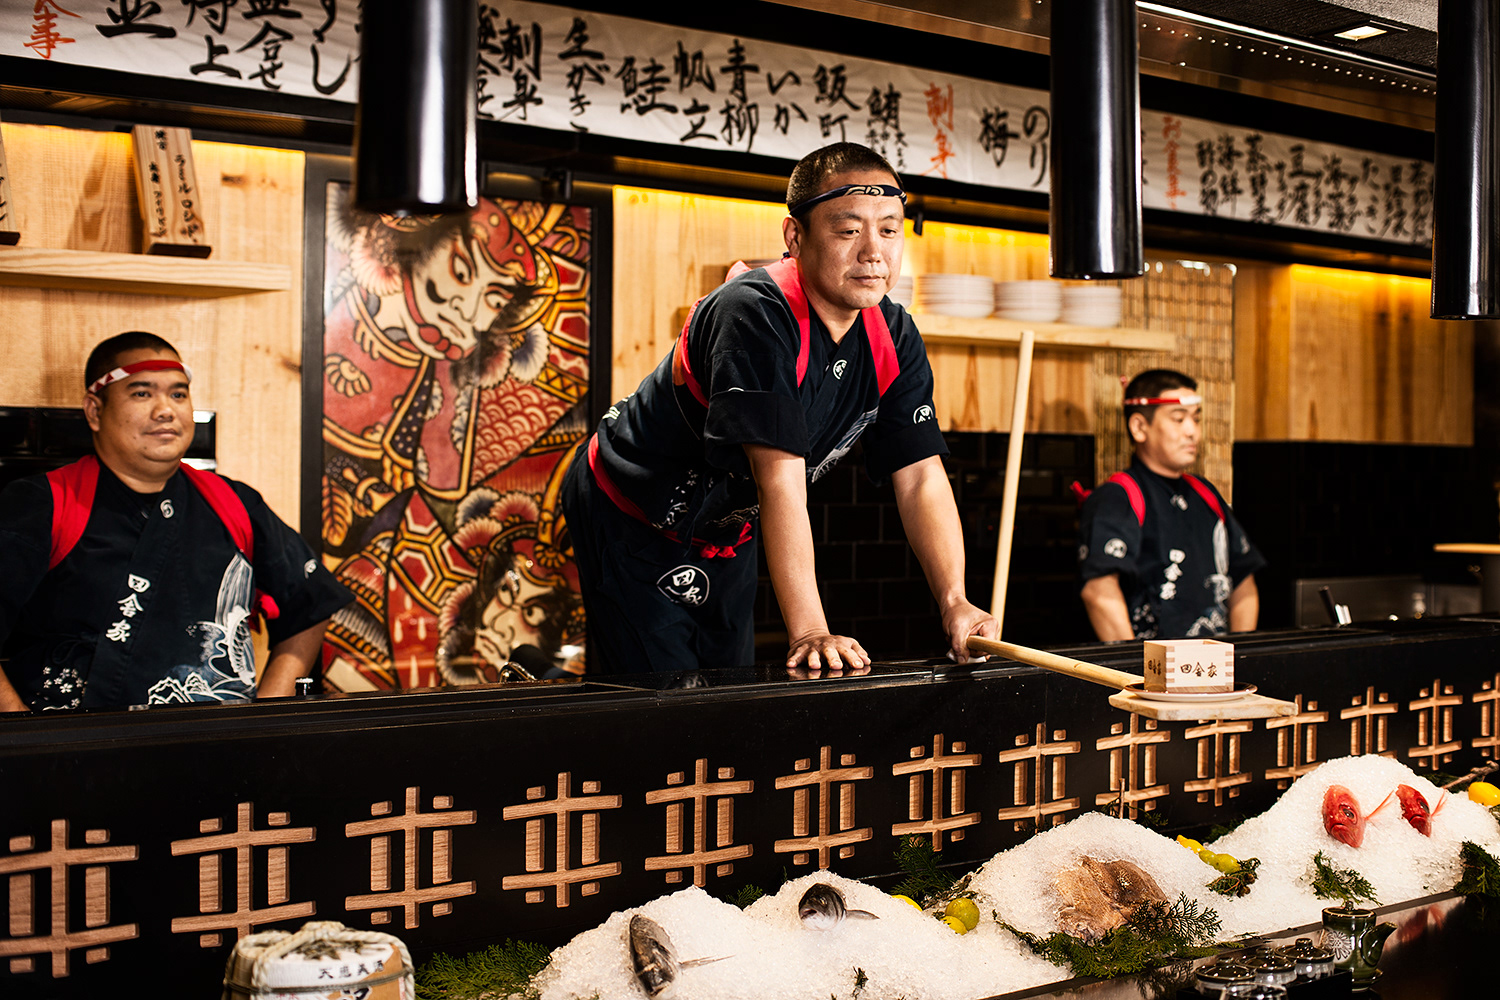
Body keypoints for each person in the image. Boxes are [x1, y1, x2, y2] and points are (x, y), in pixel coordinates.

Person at [561, 142, 997, 674]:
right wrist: (811, 631)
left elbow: (920, 475)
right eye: (848, 230)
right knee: (661, 696)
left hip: (726, 527)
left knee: (728, 686)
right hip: (630, 509)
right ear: (795, 237)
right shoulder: (754, 313)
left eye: (889, 230)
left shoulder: (893, 333)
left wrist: (955, 602)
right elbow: (780, 481)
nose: (873, 252)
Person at [0, 332, 353, 711]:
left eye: (179, 394)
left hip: (221, 744)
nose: (166, 410)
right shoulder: (45, 503)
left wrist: (267, 713)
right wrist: (23, 731)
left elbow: (311, 605)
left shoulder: (234, 503)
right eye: (142, 393)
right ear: (95, 411)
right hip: (79, 744)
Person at [1077, 369, 1265, 640]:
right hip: (1152, 663)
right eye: (1178, 419)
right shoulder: (1118, 496)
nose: (1192, 432)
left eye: (1196, 419)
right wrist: (1137, 664)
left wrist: (1241, 652)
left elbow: (1243, 582)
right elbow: (1099, 593)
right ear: (1139, 427)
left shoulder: (1205, 493)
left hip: (1214, 660)